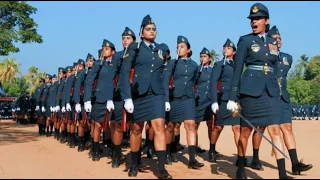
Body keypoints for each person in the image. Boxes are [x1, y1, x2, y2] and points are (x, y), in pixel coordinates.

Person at [226, 3, 290, 179]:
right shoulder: (245, 40)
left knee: (275, 130)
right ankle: (240, 167)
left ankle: (282, 174)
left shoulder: (272, 43)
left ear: (266, 21)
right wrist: (232, 97)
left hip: (270, 92)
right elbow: (238, 69)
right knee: (245, 132)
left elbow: (276, 67)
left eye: (258, 18)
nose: (254, 22)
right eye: (252, 19)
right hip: (250, 92)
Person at [250, 25, 313, 175]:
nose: (278, 41)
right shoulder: (263, 56)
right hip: (266, 97)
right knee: (260, 128)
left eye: (280, 39)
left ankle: (295, 163)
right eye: (275, 38)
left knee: (287, 129)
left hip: (282, 98)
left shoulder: (287, 58)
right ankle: (255, 158)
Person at [119, 14, 171, 179]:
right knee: (136, 130)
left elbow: (165, 75)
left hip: (156, 94)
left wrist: (167, 98)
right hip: (139, 94)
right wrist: (127, 97)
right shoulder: (134, 48)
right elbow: (124, 72)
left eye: (154, 29)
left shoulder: (161, 48)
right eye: (148, 29)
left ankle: (161, 169)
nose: (152, 31)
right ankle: (134, 164)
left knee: (159, 128)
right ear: (142, 33)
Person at [164, 35, 204, 169]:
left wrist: (195, 93)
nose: (179, 49)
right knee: (170, 127)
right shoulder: (172, 63)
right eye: (177, 47)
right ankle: (168, 153)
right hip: (174, 98)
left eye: (182, 47)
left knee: (190, 125)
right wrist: (166, 100)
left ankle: (192, 159)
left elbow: (197, 81)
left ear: (188, 50)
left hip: (188, 98)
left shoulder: (194, 65)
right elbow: (165, 81)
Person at [84, 39, 119, 161]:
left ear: (113, 51)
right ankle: (95, 150)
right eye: (103, 48)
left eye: (107, 49)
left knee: (113, 126)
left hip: (114, 98)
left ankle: (113, 150)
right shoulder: (98, 64)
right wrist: (87, 99)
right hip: (100, 99)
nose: (104, 50)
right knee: (98, 126)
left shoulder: (117, 63)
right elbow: (89, 82)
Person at [110, 26, 136, 167]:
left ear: (134, 41)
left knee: (135, 127)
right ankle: (116, 154)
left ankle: (134, 157)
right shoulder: (118, 56)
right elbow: (111, 76)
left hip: (136, 94)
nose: (125, 40)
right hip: (120, 95)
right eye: (123, 38)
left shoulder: (138, 53)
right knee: (119, 127)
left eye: (128, 38)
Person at [73, 59, 90, 152]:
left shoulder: (87, 73)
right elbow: (76, 89)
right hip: (81, 101)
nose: (79, 68)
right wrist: (77, 102)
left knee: (89, 124)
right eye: (78, 66)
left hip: (89, 100)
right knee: (81, 123)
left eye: (81, 66)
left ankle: (87, 140)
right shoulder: (79, 75)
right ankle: (81, 143)